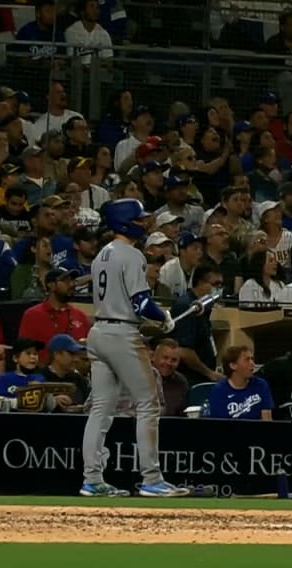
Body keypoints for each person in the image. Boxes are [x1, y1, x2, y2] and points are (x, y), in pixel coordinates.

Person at [80, 198, 190, 498]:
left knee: (101, 409)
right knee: (149, 403)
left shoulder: (103, 253)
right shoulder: (132, 255)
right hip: (121, 333)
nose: (143, 224)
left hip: (98, 331)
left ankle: (92, 479)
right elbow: (141, 303)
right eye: (139, 220)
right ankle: (151, 479)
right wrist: (163, 317)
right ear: (125, 222)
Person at [207, 345, 274, 420]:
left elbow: (267, 421)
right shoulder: (219, 391)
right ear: (233, 365)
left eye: (252, 359)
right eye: (247, 360)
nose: (252, 363)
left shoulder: (261, 385)